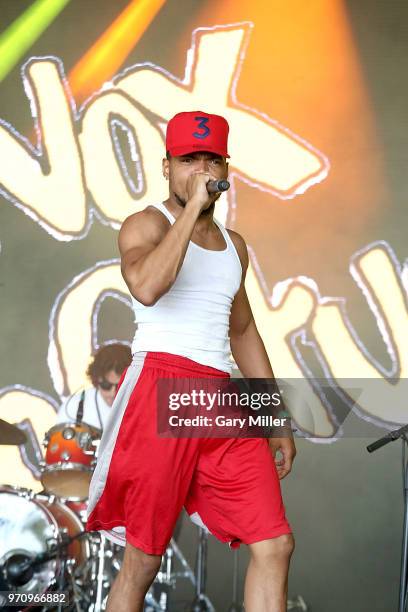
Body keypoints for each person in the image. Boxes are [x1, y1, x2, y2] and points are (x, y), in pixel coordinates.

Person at [86, 111, 297, 612]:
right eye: (188, 160)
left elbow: (243, 330)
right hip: (161, 385)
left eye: (211, 159)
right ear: (166, 167)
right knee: (143, 558)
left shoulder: (234, 246)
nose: (200, 170)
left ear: (226, 167)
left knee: (275, 543)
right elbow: (148, 287)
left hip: (218, 396)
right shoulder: (146, 224)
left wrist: (273, 417)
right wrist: (191, 211)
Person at [56, 343, 132, 430]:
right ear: (96, 380)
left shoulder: (147, 405)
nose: (112, 393)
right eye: (105, 385)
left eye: (120, 386)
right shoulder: (74, 407)